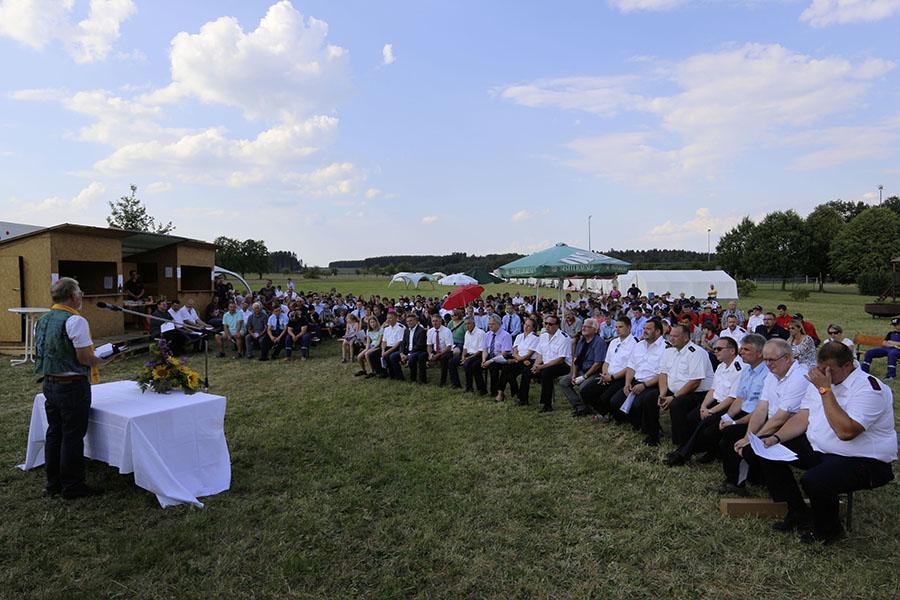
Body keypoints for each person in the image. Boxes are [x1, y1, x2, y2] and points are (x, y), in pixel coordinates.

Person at [750, 342, 896, 544]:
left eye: (829, 370)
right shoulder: (823, 381)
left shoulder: (869, 388)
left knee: (814, 480)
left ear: (847, 366)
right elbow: (803, 417)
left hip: (863, 458)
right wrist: (776, 437)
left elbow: (846, 432)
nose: (823, 374)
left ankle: (829, 531)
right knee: (767, 451)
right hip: (821, 448)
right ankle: (798, 512)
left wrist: (825, 390)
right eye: (820, 369)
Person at [33, 277, 109, 499]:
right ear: (74, 296)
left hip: (49, 382)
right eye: (80, 292)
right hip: (72, 385)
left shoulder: (42, 320)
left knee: (54, 433)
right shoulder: (76, 321)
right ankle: (73, 486)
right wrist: (104, 359)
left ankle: (54, 483)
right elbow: (84, 358)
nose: (82, 296)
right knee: (72, 436)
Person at [713, 338, 809, 496]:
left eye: (771, 360)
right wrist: (748, 436)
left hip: (792, 429)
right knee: (730, 436)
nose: (768, 364)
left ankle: (777, 491)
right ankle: (738, 481)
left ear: (787, 358)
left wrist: (752, 439)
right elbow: (761, 408)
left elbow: (781, 417)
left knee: (752, 448)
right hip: (773, 423)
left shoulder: (799, 377)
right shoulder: (773, 375)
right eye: (766, 360)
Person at [664, 336, 743, 466]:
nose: (715, 351)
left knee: (705, 424)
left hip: (729, 407)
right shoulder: (721, 366)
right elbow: (712, 390)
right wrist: (703, 406)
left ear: (732, 351)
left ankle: (683, 454)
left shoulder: (739, 368)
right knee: (691, 418)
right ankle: (693, 448)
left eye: (719, 349)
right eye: (715, 348)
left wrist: (711, 411)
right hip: (716, 402)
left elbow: (732, 398)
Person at [650, 324, 714, 447]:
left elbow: (695, 382)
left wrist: (673, 397)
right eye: (670, 335)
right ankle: (653, 434)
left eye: (675, 336)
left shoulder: (696, 352)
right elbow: (663, 373)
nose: (671, 338)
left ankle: (680, 442)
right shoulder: (669, 351)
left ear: (685, 338)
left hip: (696, 393)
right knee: (650, 397)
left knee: (677, 404)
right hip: (674, 390)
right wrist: (663, 393)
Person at [609, 319, 667, 437]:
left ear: (657, 331)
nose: (644, 331)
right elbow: (631, 367)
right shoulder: (639, 345)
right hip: (636, 381)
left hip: (653, 384)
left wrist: (644, 385)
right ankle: (637, 423)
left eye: (648, 329)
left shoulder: (666, 347)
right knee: (615, 402)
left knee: (637, 404)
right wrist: (627, 383)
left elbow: (663, 374)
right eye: (644, 328)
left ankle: (651, 428)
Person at [583, 316, 636, 418]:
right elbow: (607, 362)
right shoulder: (614, 342)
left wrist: (611, 377)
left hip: (621, 378)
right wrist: (605, 374)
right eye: (616, 327)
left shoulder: (634, 343)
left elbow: (629, 367)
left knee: (605, 397)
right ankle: (604, 413)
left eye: (620, 327)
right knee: (586, 391)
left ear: (629, 327)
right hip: (607, 375)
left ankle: (609, 414)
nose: (617, 329)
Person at [560, 318, 607, 417]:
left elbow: (597, 364)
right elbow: (575, 360)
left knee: (583, 387)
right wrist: (574, 374)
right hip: (580, 371)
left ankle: (591, 406)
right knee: (564, 382)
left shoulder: (599, 342)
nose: (583, 328)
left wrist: (584, 377)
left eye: (587, 327)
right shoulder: (581, 341)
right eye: (583, 326)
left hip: (594, 373)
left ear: (594, 330)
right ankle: (580, 407)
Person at [531, 314, 572, 412]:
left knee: (546, 373)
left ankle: (547, 404)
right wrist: (536, 365)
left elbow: (560, 359)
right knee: (527, 370)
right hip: (546, 363)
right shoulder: (543, 336)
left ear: (557, 325)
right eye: (546, 323)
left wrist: (541, 367)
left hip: (562, 365)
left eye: (550, 324)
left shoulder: (564, 337)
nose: (547, 326)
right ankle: (523, 399)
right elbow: (540, 353)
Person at [505, 317, 540, 404]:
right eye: (525, 324)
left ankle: (523, 399)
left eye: (528, 326)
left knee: (525, 373)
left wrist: (520, 359)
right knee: (507, 370)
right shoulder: (519, 336)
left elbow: (529, 354)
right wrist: (520, 359)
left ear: (533, 328)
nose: (526, 327)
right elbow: (514, 351)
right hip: (520, 359)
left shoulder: (535, 338)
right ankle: (516, 392)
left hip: (530, 361)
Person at [482, 315, 514, 401]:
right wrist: (484, 360)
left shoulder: (506, 335)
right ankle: (483, 389)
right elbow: (485, 349)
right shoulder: (487, 334)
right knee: (477, 364)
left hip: (503, 358)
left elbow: (505, 353)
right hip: (491, 356)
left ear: (499, 324)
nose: (490, 326)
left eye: (492, 324)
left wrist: (490, 361)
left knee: (493, 366)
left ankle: (496, 391)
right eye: (489, 324)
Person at [861, 317, 900, 381]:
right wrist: (893, 344)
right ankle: (864, 371)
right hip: (886, 349)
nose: (895, 326)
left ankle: (890, 375)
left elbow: (889, 342)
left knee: (892, 354)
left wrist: (891, 342)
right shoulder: (890, 333)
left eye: (896, 325)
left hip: (897, 350)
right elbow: (884, 343)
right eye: (894, 325)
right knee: (869, 352)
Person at [453, 316, 485, 392]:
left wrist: (467, 358)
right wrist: (463, 356)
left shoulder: (480, 333)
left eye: (469, 323)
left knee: (467, 363)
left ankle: (470, 387)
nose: (467, 326)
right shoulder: (467, 333)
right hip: (468, 354)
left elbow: (480, 351)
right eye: (465, 324)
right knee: (452, 361)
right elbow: (465, 347)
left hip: (478, 355)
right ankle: (456, 384)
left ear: (474, 323)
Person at [397, 313, 428, 383]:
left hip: (419, 351)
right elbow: (403, 343)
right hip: (408, 350)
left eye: (411, 321)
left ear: (416, 321)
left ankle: (413, 379)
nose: (409, 323)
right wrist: (401, 353)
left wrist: (408, 355)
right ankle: (399, 376)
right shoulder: (406, 330)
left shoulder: (421, 331)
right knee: (393, 357)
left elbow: (419, 345)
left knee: (412, 358)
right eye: (407, 321)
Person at [427, 313, 455, 387]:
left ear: (440, 321)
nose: (434, 323)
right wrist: (430, 354)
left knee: (444, 358)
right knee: (422, 355)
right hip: (435, 350)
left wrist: (437, 355)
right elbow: (429, 345)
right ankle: (422, 379)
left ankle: (443, 381)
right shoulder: (430, 331)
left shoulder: (447, 331)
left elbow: (449, 347)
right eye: (433, 321)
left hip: (446, 351)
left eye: (436, 321)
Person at [381, 310, 407, 380]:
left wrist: (387, 352)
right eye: (387, 318)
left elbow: (399, 342)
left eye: (390, 318)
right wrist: (383, 350)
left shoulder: (401, 327)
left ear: (395, 318)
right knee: (373, 354)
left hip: (397, 348)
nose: (388, 320)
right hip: (388, 347)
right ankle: (383, 373)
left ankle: (398, 375)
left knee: (390, 356)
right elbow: (384, 341)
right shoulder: (386, 328)